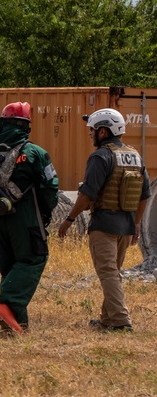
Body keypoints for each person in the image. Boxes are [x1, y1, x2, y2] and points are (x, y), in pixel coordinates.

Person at [58, 109, 152, 332]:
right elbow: (144, 195)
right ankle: (107, 319)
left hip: (104, 226)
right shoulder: (135, 156)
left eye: (92, 130)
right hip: (126, 226)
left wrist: (69, 219)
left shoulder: (101, 156)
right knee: (113, 271)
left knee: (108, 272)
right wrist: (136, 224)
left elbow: (88, 194)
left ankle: (120, 320)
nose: (90, 134)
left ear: (102, 131)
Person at [0, 102, 58, 334]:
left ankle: (18, 325)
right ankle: (4, 305)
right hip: (26, 220)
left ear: (2, 124)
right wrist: (46, 212)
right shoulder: (35, 153)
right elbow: (50, 188)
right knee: (33, 260)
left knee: (11, 271)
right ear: (26, 126)